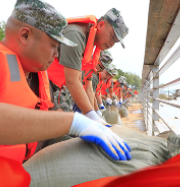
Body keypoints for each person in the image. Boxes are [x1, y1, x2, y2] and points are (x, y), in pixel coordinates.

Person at [0, 0, 132, 185]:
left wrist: (87, 124)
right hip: (11, 171)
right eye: (54, 46)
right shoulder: (4, 65)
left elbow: (47, 113)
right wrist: (74, 122)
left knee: (92, 155)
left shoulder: (36, 75)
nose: (57, 55)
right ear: (25, 36)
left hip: (34, 147)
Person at [47, 8, 129, 124]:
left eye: (115, 42)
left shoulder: (89, 46)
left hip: (54, 89)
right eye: (112, 36)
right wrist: (93, 116)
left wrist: (94, 114)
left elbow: (86, 87)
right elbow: (73, 81)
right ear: (100, 25)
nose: (111, 44)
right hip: (40, 81)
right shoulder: (76, 35)